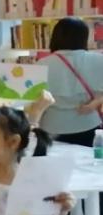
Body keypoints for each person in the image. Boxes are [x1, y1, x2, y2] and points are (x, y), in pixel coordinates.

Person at [39, 16, 103, 146]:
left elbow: (35, 100)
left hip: (52, 126)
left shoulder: (42, 64)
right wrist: (94, 104)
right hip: (88, 124)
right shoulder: (98, 60)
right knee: (88, 159)